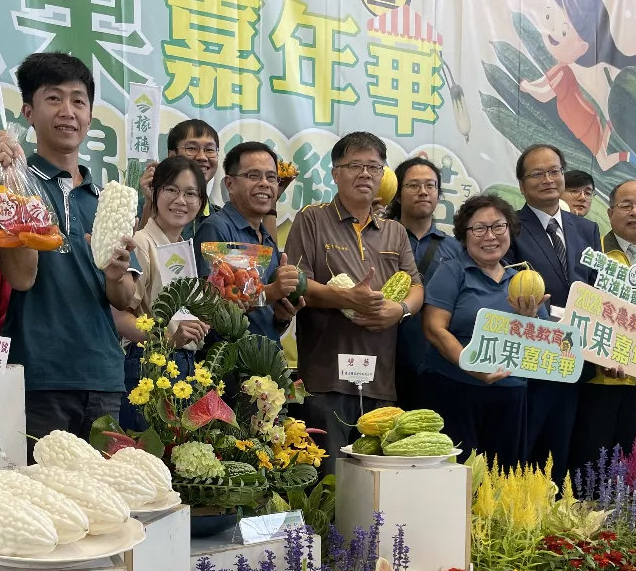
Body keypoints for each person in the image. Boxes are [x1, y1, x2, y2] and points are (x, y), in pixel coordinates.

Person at [0, 52, 139, 461]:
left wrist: (114, 274)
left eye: (78, 100)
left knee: (104, 506)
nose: (68, 112)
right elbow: (21, 278)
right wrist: (12, 183)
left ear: (90, 115)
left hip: (104, 376)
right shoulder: (12, 182)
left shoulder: (108, 198)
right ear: (28, 111)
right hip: (40, 376)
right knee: (48, 507)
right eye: (53, 99)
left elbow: (128, 299)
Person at [285, 131, 423, 455]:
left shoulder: (395, 231)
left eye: (374, 167)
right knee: (330, 483)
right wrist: (347, 298)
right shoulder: (312, 219)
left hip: (381, 380)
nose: (365, 173)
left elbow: (416, 286)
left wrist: (400, 310)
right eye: (354, 165)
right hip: (325, 379)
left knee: (375, 486)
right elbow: (297, 283)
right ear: (335, 173)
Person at [423, 195, 546, 467]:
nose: (489, 236)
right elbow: (433, 328)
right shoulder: (453, 271)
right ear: (464, 236)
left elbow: (544, 347)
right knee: (457, 479)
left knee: (502, 481)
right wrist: (470, 363)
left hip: (511, 393)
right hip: (455, 389)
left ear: (510, 231)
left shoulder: (524, 279)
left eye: (498, 227)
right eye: (479, 228)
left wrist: (529, 322)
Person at [507, 144, 601, 487]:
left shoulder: (587, 230)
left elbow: (595, 290)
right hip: (531, 353)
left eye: (554, 171)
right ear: (521, 184)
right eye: (537, 173)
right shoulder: (511, 227)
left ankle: (552, 520)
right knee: (526, 445)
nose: (548, 179)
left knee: (562, 446)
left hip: (575, 355)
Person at [569, 180, 636, 472]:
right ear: (610, 213)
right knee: (592, 461)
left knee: (633, 463)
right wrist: (600, 359)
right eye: (625, 205)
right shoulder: (592, 254)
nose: (635, 212)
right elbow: (581, 307)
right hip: (600, 377)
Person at [116, 156, 212, 429]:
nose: (181, 200)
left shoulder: (182, 248)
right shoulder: (141, 243)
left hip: (184, 365)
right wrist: (169, 339)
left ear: (201, 203)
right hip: (148, 368)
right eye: (171, 189)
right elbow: (120, 316)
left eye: (191, 193)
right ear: (154, 193)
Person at [519, 0, 636, 171]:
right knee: (601, 151)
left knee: (603, 163)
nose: (552, 33)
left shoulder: (562, 72)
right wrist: (530, 85)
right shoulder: (560, 69)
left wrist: (527, 87)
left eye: (564, 31)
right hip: (584, 114)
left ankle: (625, 151)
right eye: (549, 17)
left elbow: (544, 93)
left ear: (582, 47)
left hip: (580, 118)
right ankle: (612, 127)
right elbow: (544, 83)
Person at [193, 141, 302, 342]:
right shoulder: (217, 228)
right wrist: (272, 291)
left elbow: (264, 321)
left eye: (271, 177)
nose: (265, 183)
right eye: (253, 176)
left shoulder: (266, 237)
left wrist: (282, 316)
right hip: (226, 365)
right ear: (229, 184)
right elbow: (213, 308)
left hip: (264, 362)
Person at [386, 157, 450, 410]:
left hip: (434, 363)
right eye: (413, 185)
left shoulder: (456, 249)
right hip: (383, 360)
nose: (423, 192)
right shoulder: (378, 239)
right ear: (398, 194)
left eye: (430, 186)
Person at [136, 119, 221, 238]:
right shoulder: (137, 209)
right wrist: (150, 205)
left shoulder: (220, 219)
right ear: (172, 156)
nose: (202, 157)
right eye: (192, 148)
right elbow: (136, 251)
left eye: (210, 149)